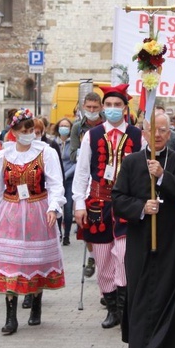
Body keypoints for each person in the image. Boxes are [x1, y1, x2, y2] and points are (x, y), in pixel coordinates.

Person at [112, 112, 175, 348]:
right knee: (140, 292)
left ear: (169, 134)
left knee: (168, 293)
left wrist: (162, 177)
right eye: (152, 130)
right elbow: (117, 198)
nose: (157, 135)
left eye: (162, 130)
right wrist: (140, 207)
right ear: (143, 131)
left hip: (172, 238)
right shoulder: (132, 162)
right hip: (140, 236)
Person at [0, 109, 65, 335]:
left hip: (38, 209)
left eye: (31, 130)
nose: (29, 134)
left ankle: (36, 303)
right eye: (24, 130)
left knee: (35, 259)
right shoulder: (3, 155)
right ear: (14, 132)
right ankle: (10, 317)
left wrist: (53, 206)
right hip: (11, 211)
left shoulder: (46, 152)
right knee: (12, 263)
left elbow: (56, 183)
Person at [73, 84, 142, 328]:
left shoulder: (137, 135)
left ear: (125, 108)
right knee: (102, 261)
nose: (113, 109)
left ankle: (124, 308)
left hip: (127, 204)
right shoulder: (91, 136)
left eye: (117, 105)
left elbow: (144, 171)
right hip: (97, 205)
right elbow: (82, 173)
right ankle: (111, 308)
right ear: (103, 108)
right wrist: (79, 204)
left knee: (123, 257)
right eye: (109, 105)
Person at [69, 91, 105, 278]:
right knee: (86, 223)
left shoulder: (107, 124)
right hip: (86, 176)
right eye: (88, 107)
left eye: (95, 108)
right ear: (84, 107)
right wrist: (86, 149)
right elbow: (72, 154)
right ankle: (92, 255)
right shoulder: (77, 127)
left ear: (100, 107)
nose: (91, 111)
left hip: (105, 175)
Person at [54, 117, 75, 245]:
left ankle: (67, 234)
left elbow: (76, 163)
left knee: (67, 209)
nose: (64, 128)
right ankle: (59, 233)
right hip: (56, 180)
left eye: (66, 126)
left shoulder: (73, 143)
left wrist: (65, 175)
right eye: (62, 125)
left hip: (69, 179)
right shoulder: (53, 142)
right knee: (57, 207)